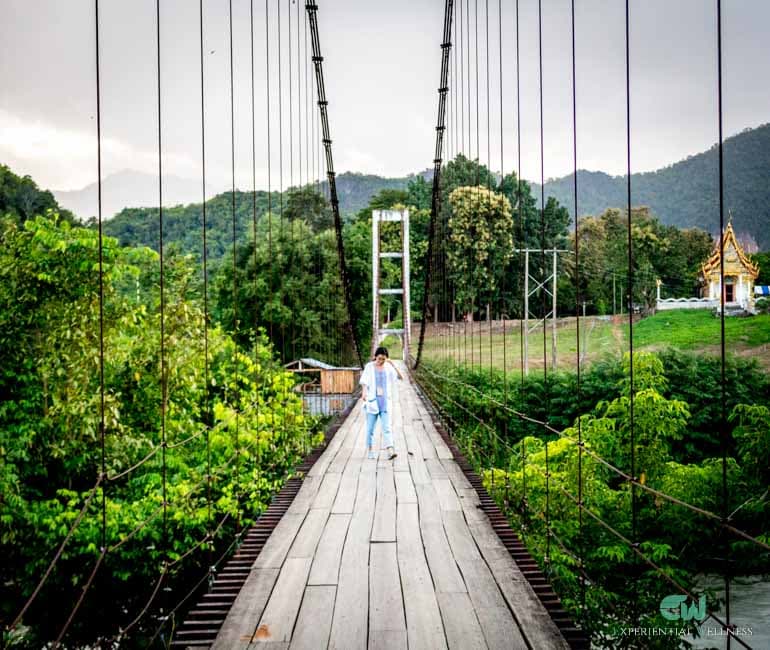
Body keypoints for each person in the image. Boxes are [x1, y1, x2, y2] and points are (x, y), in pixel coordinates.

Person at [359, 346, 403, 460]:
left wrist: (392, 364)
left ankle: (390, 450)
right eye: (379, 359)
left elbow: (400, 377)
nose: (381, 361)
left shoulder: (388, 367)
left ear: (386, 359)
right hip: (373, 402)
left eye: (383, 359)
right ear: (375, 357)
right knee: (370, 429)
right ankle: (370, 451)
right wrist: (364, 393)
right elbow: (364, 381)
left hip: (384, 402)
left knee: (387, 427)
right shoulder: (369, 367)